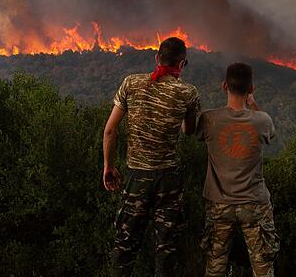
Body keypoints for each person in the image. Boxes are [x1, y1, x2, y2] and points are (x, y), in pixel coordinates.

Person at [102, 37, 201, 277]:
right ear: (183, 63)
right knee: (167, 251)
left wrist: (108, 166)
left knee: (125, 247)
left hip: (137, 178)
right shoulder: (188, 93)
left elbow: (110, 130)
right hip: (169, 180)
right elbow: (188, 131)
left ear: (156, 58)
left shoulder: (131, 83)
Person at [195, 62, 280, 277]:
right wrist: (253, 104)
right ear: (251, 89)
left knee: (215, 266)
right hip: (254, 204)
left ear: (224, 85)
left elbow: (191, 131)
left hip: (219, 205)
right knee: (263, 267)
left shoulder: (209, 119)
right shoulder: (262, 120)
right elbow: (271, 134)